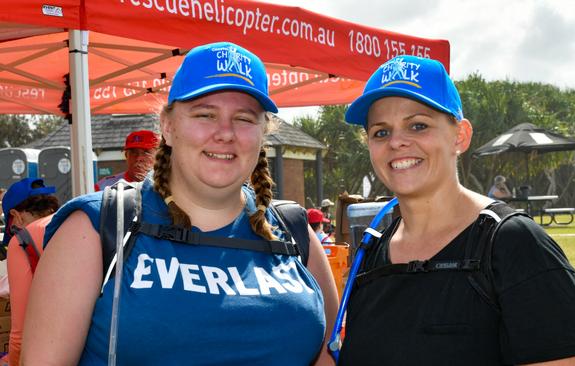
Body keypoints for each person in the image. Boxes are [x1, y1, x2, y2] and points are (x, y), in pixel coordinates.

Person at [21, 42, 338, 365]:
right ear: (168, 127)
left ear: (262, 134)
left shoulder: (293, 231)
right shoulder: (98, 227)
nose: (225, 133)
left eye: (244, 119)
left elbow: (330, 354)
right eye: (205, 114)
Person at [338, 55, 575, 365]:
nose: (397, 142)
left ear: (460, 136)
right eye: (381, 132)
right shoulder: (370, 255)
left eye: (418, 125)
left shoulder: (513, 244)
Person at [1, 178, 59, 366]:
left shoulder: (21, 241)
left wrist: (12, 361)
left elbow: (20, 332)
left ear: (15, 215)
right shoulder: (76, 222)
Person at [94, 129, 160, 191]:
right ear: (126, 156)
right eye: (133, 152)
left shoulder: (166, 184)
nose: (138, 158)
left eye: (146, 152)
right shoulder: (105, 186)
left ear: (158, 156)